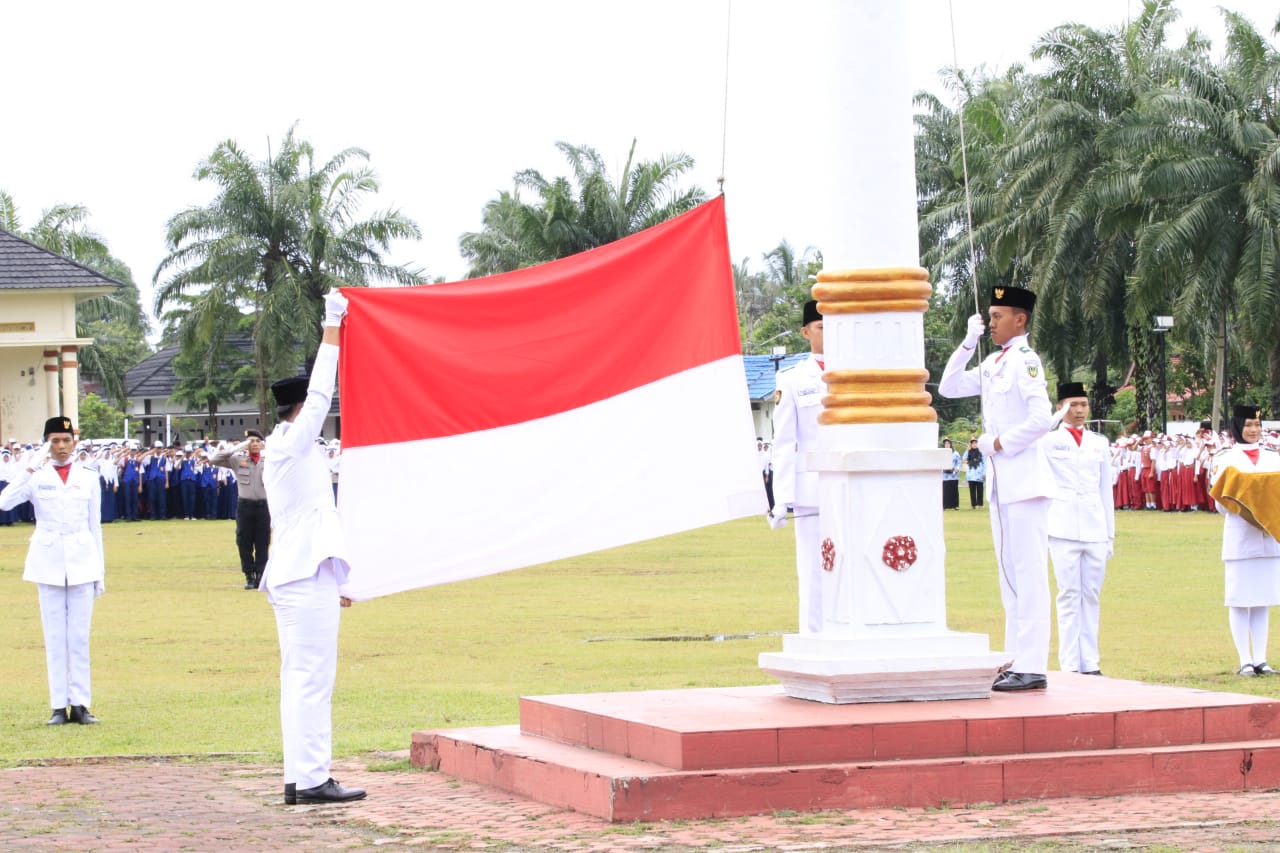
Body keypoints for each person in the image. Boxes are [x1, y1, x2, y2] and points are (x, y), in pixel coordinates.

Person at [262, 289, 365, 806]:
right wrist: (332, 327)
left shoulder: (292, 448)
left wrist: (337, 577)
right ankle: (311, 780)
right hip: (301, 575)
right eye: (314, 409)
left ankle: (300, 777)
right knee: (310, 681)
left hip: (309, 572)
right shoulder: (289, 441)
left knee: (301, 680)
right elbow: (323, 393)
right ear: (300, 410)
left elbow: (320, 518)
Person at [939, 286, 1055, 692]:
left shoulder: (1026, 361)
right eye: (989, 315)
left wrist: (1001, 443)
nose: (992, 322)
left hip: (1024, 481)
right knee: (1009, 576)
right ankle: (1015, 659)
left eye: (998, 316)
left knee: (1029, 574)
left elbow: (1042, 418)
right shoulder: (992, 362)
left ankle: (1033, 664)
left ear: (1020, 320)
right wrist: (968, 341)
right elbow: (948, 386)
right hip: (1002, 485)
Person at [0, 416, 105, 724]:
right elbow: (5, 502)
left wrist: (100, 572)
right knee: (55, 637)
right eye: (55, 441)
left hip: (82, 560)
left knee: (79, 638)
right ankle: (58, 705)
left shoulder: (88, 475)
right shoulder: (36, 475)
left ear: (75, 442)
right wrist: (29, 467)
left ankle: (81, 704)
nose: (61, 447)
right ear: (47, 443)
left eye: (66, 440)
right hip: (47, 563)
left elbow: (94, 525)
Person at [1043, 382, 1115, 676]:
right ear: (1061, 407)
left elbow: (1104, 490)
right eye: (1073, 404)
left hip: (1095, 527)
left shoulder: (1099, 442)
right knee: (1069, 594)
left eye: (1083, 404)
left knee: (1091, 595)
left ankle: (1091, 663)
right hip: (1061, 527)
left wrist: (1109, 533)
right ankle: (1071, 664)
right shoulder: (1048, 441)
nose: (1080, 410)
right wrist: (1054, 418)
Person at [768, 299, 826, 635]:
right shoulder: (791, 378)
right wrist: (781, 498)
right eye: (821, 326)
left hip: (849, 484)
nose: (828, 333)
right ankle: (813, 638)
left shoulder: (851, 373)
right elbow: (784, 442)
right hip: (811, 490)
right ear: (806, 332)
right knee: (813, 570)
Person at [1209, 405, 1280, 677]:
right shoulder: (1225, 457)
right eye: (1249, 424)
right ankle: (1245, 659)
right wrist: (1249, 507)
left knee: (1263, 598)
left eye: (1257, 425)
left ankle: (1261, 659)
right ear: (1238, 426)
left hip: (1269, 537)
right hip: (1240, 535)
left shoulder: (1273, 457)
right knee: (1239, 599)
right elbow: (1220, 501)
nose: (1254, 430)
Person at [211, 430, 272, 589]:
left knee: (262, 542)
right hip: (245, 506)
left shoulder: (270, 460)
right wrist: (239, 447)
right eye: (251, 441)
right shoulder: (238, 460)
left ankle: (260, 575)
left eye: (257, 441)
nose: (254, 444)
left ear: (262, 444)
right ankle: (249, 575)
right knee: (244, 542)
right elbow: (214, 459)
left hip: (263, 507)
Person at [964, 438, 986, 508]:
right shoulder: (968, 452)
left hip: (979, 474)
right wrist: (967, 450)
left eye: (975, 443)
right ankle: (973, 504)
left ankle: (980, 504)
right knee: (972, 491)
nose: (974, 444)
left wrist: (984, 472)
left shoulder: (982, 452)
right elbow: (964, 459)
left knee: (980, 490)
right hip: (971, 474)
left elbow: (985, 463)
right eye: (973, 443)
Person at [942, 438, 961, 509]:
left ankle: (955, 505)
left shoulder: (955, 453)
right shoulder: (941, 453)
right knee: (946, 490)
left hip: (953, 474)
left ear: (950, 444)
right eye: (945, 443)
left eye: (948, 443)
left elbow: (958, 462)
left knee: (954, 490)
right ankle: (945, 505)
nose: (947, 445)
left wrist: (957, 469)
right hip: (945, 475)